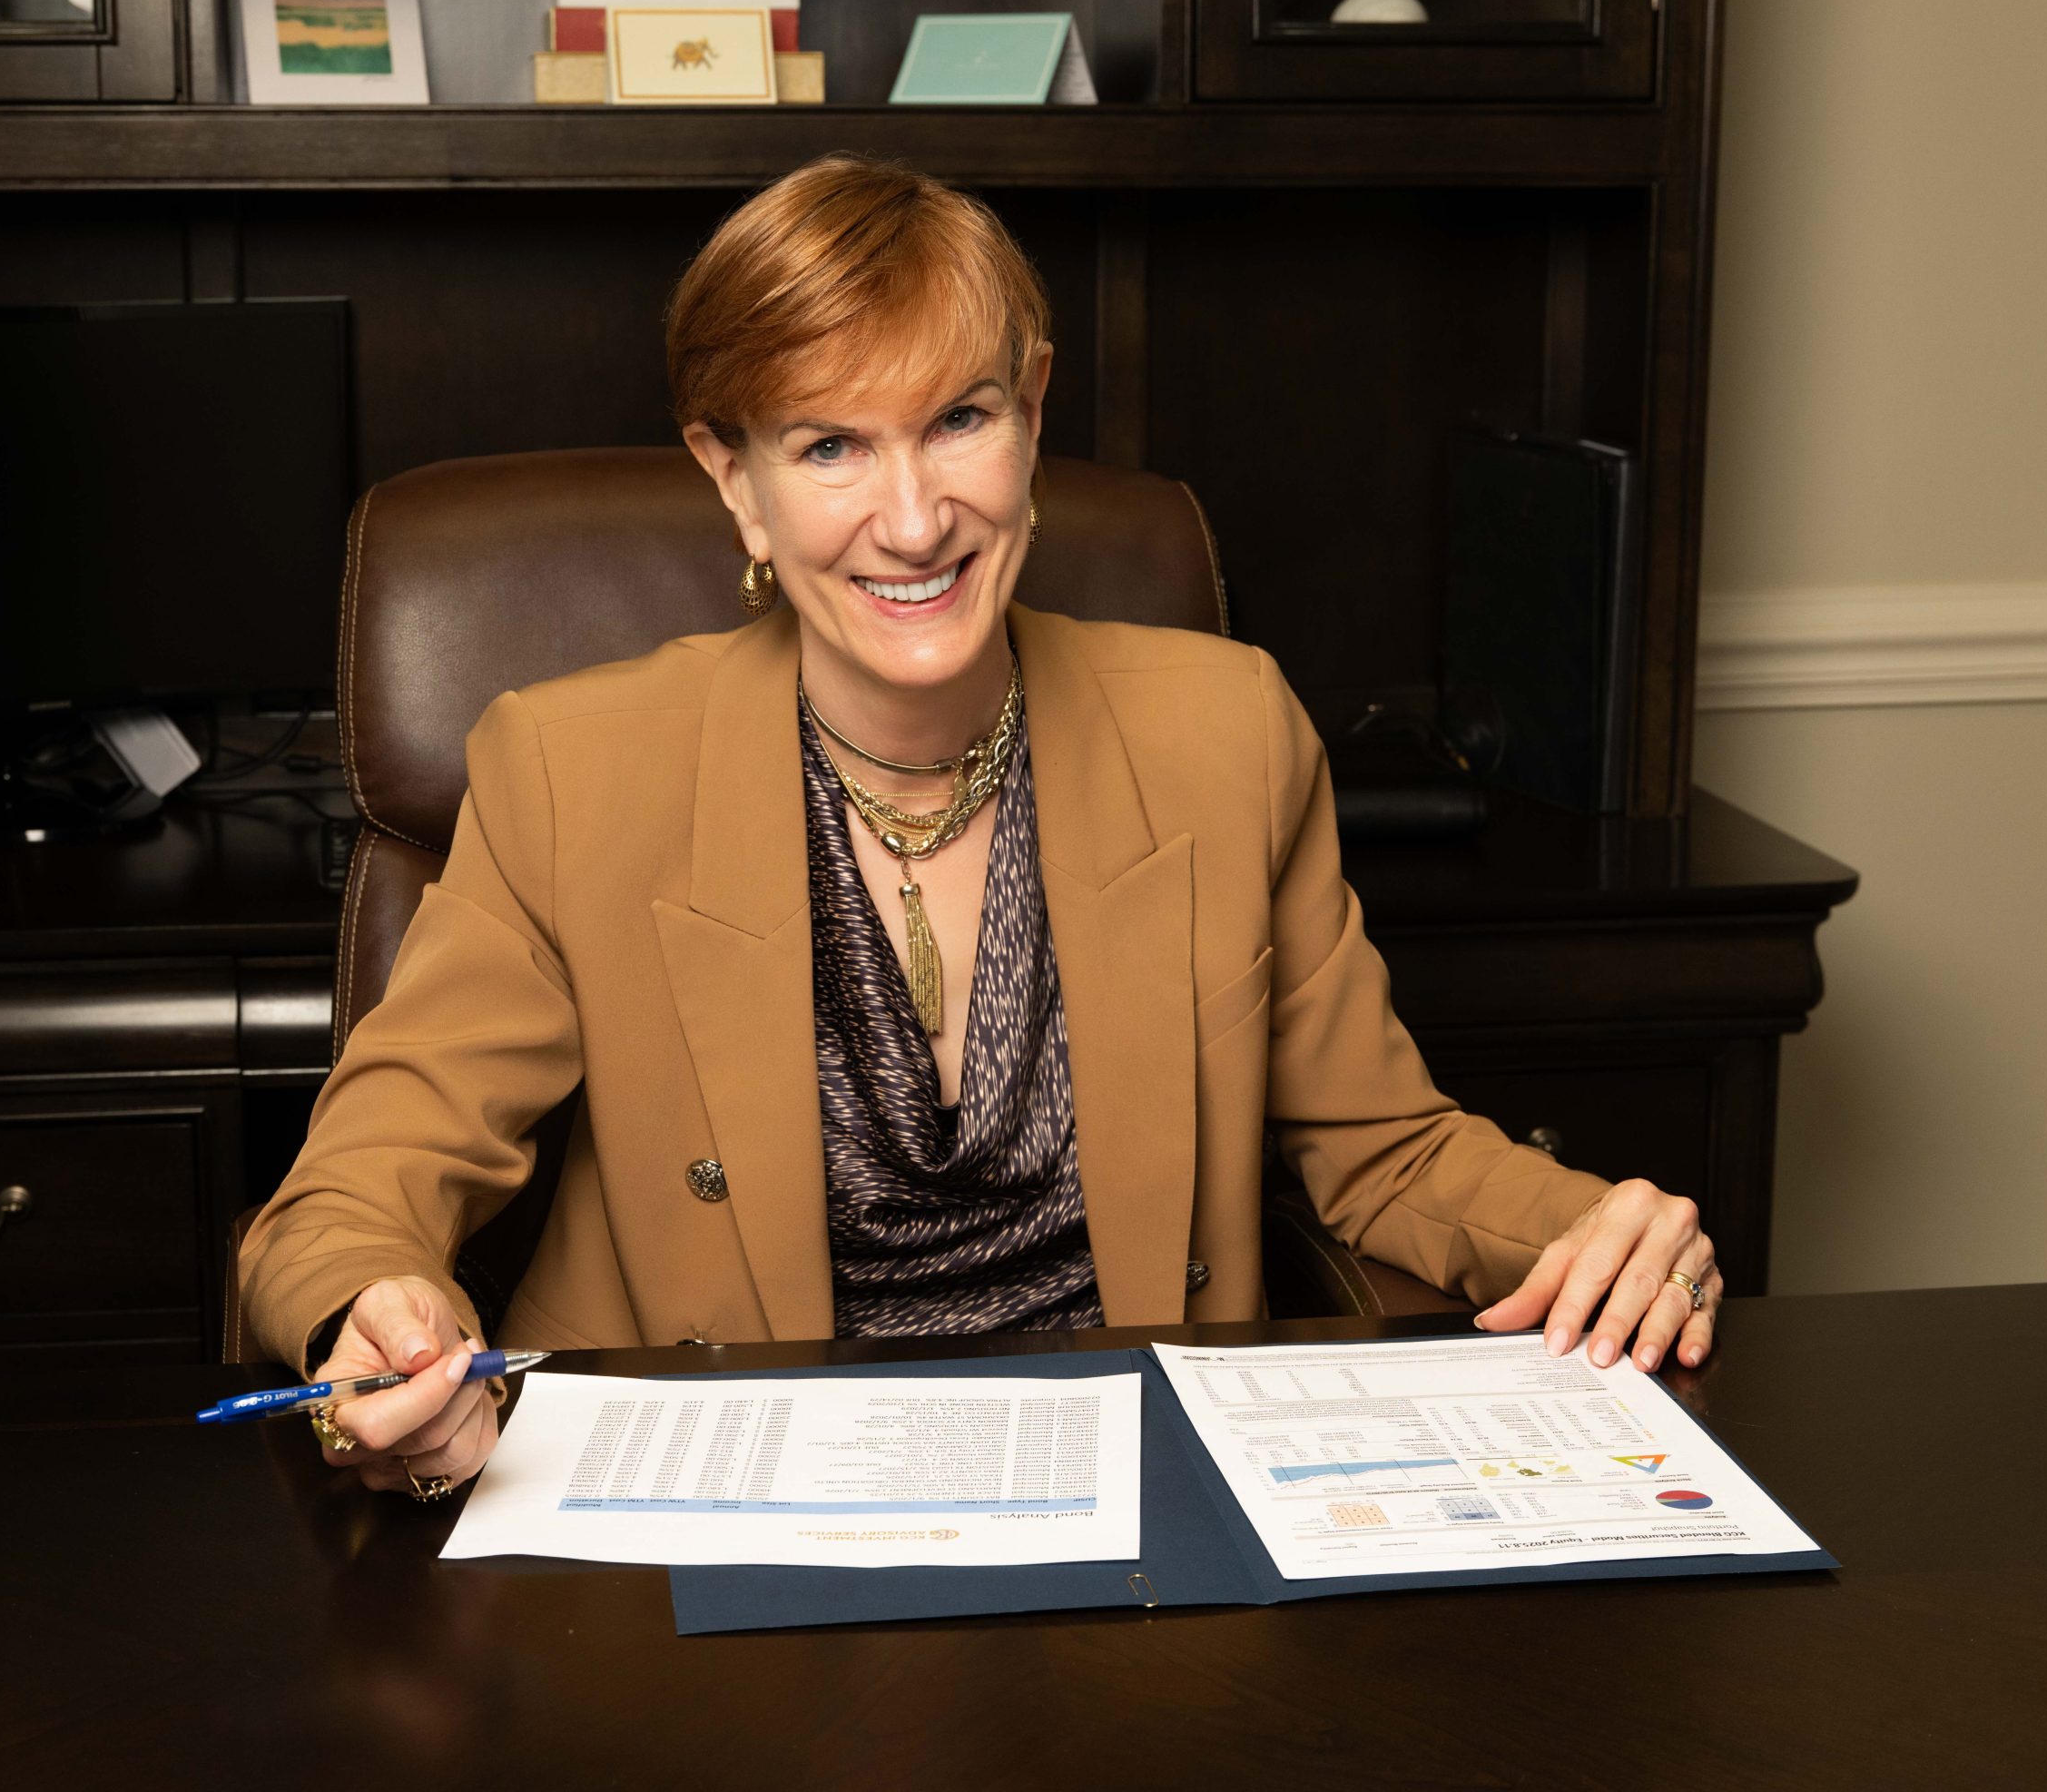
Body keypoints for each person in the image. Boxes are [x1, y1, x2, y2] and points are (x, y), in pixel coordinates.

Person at [239, 152, 1722, 1501]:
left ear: (1033, 413)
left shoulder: (1227, 733)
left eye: (959, 420)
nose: (911, 519)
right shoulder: (573, 770)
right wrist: (374, 1313)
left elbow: (1382, 1152)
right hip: (719, 1513)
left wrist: (1598, 1228)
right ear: (733, 480)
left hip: (1136, 1496)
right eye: (828, 447)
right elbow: (354, 1190)